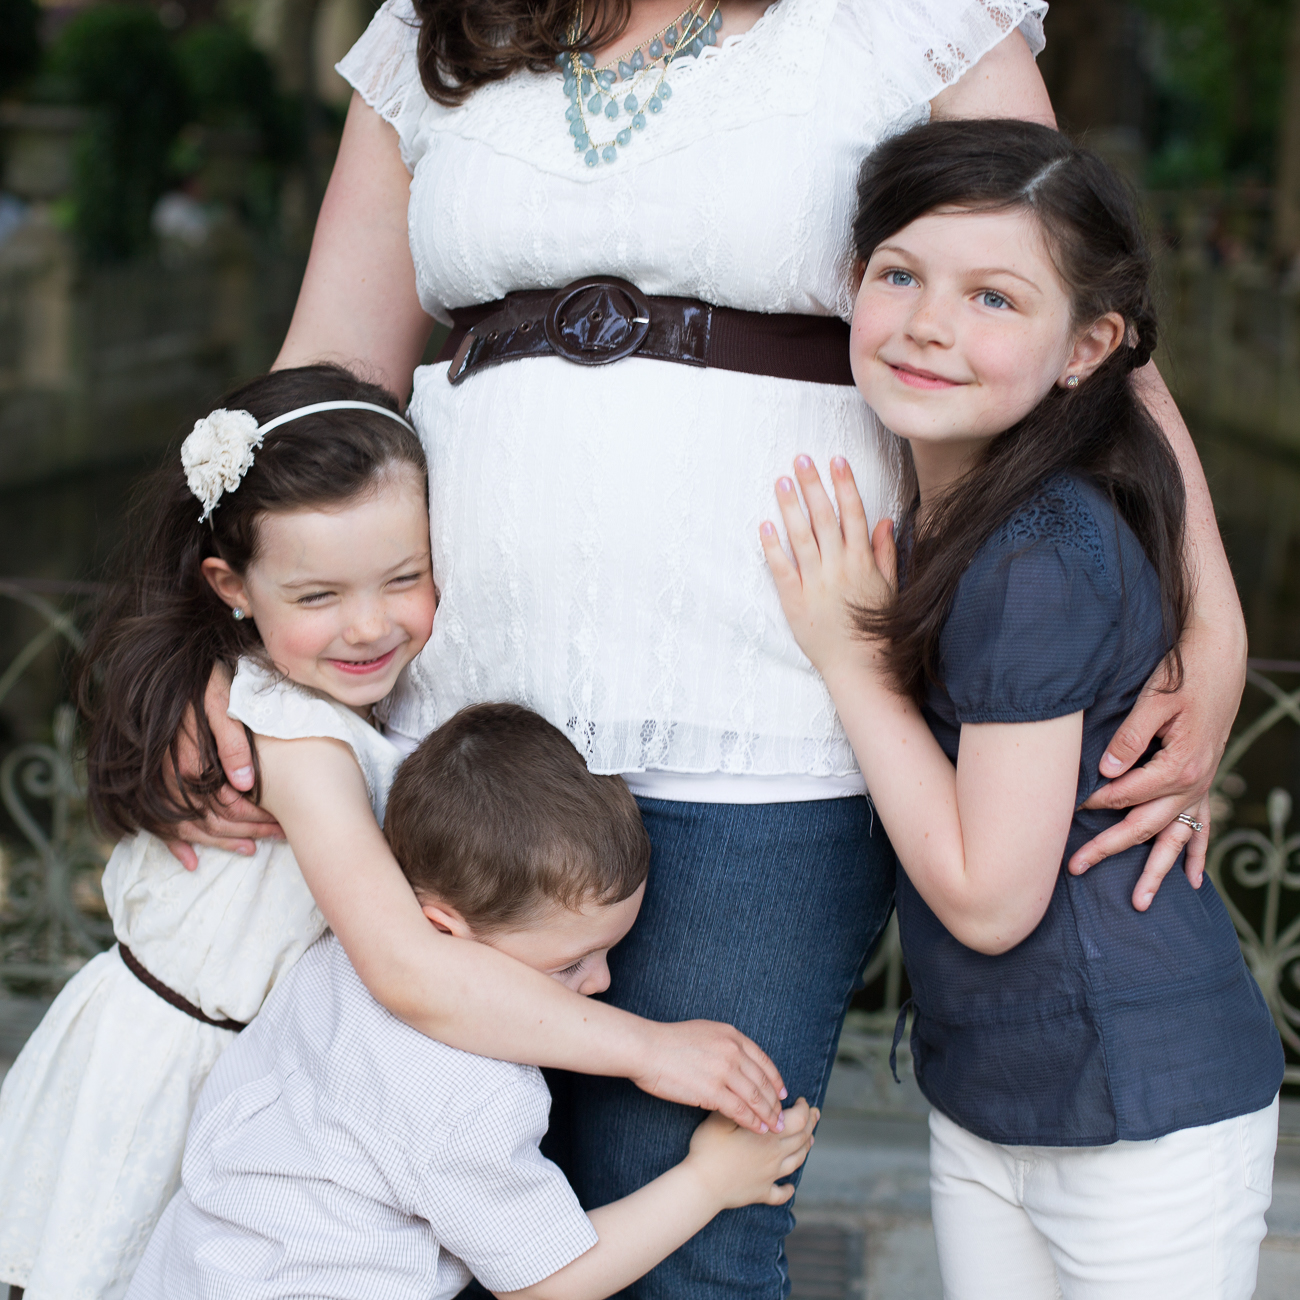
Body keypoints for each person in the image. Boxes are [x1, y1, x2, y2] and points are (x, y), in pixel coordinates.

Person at [176, 3, 1250, 1292]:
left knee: (683, 1224)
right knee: (428, 1197)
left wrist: (1210, 613)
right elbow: (333, 367)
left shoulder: (909, 19)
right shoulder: (438, 26)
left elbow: (1069, 285)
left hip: (770, 715)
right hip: (462, 720)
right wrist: (222, 647)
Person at [0, 364, 779, 1300]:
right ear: (231, 586)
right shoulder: (300, 742)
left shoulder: (312, 693)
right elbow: (404, 965)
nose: (368, 627)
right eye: (319, 597)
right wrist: (649, 1048)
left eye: (403, 578)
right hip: (182, 1069)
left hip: (282, 1084)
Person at [761, 118, 1284, 1300]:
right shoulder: (967, 508)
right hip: (999, 1089)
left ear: (1086, 347)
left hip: (1132, 1100)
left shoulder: (1036, 547)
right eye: (898, 275)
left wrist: (848, 652)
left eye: (994, 298)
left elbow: (992, 900)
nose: (930, 323)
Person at [127, 703, 818, 1300]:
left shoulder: (341, 955)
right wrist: (708, 1181)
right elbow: (549, 1281)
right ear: (442, 931)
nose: (603, 983)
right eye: (571, 963)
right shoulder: (471, 1092)